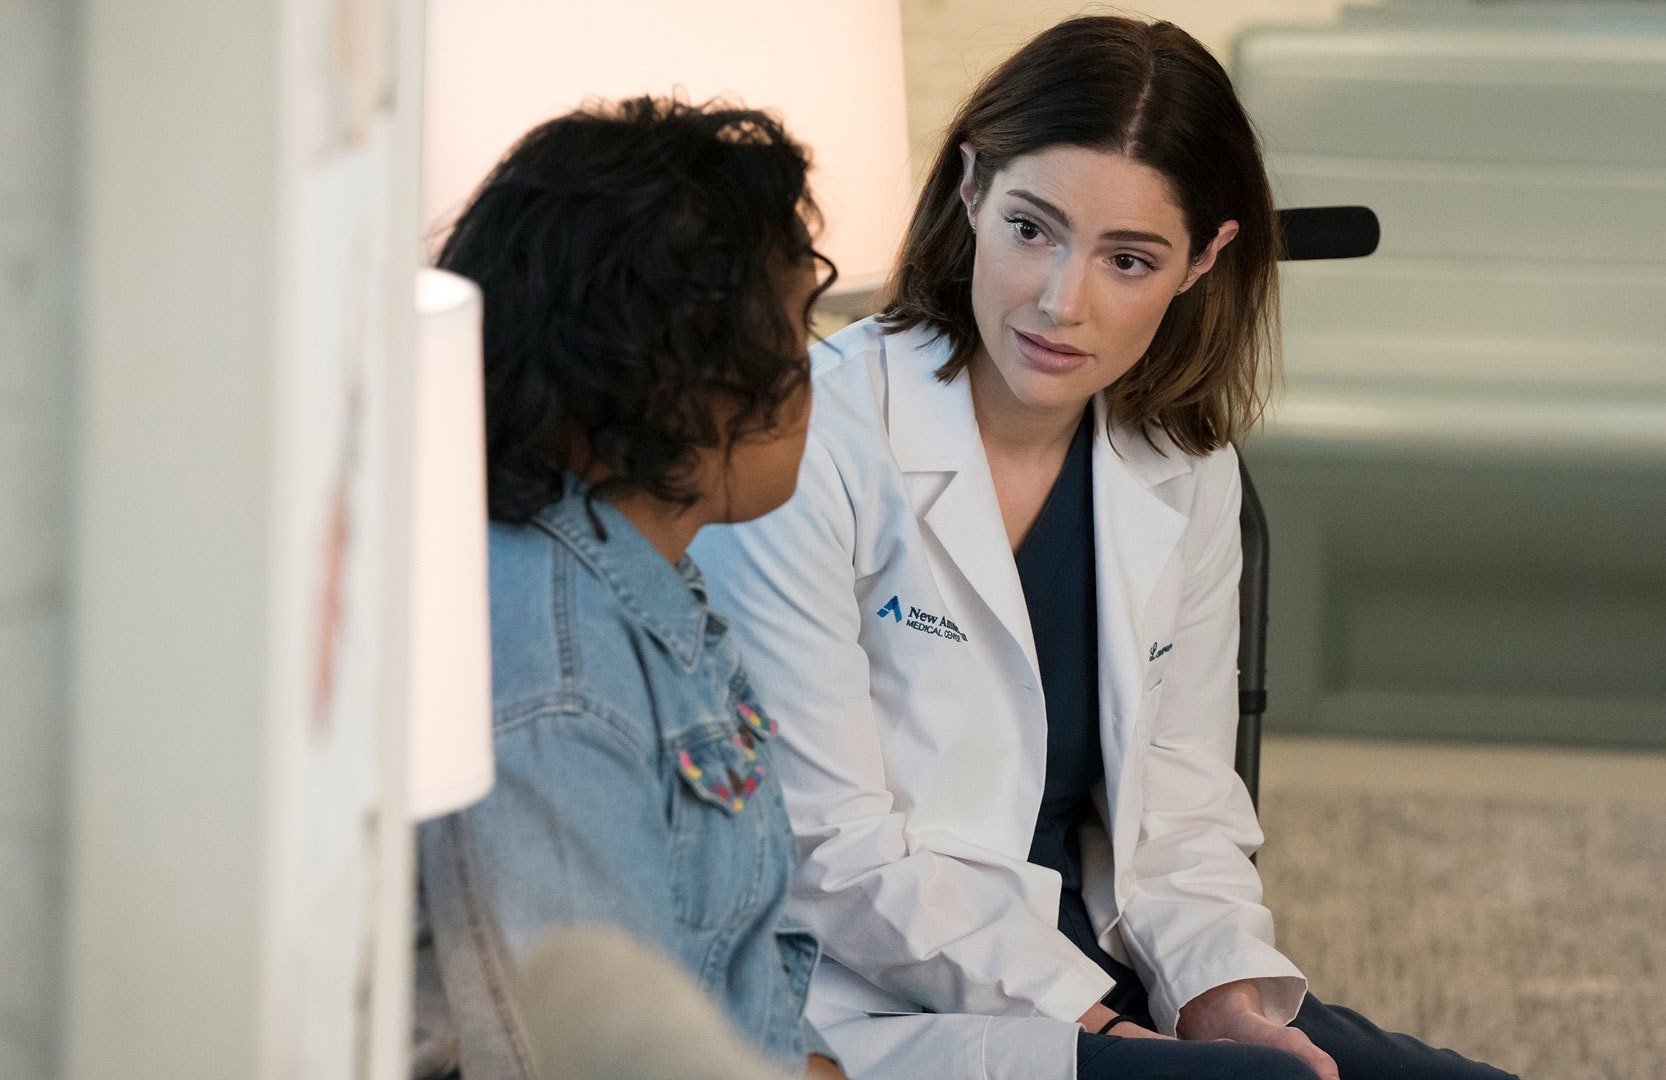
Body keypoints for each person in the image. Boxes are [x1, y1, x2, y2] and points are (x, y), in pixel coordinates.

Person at [690, 16, 1518, 1080]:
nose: (1060, 301)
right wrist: (1105, 1031)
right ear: (971, 188)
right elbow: (825, 847)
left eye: (1128, 259)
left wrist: (1221, 1002)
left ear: (1203, 260)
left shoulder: (1181, 462)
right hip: (877, 987)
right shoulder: (812, 442)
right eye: (1032, 229)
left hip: (1101, 957)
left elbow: (1181, 807)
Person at [411, 97, 845, 1080]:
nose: (810, 371)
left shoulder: (646, 589)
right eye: (796, 330)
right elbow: (584, 1049)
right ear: (685, 374)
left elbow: (741, 974)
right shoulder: (552, 662)